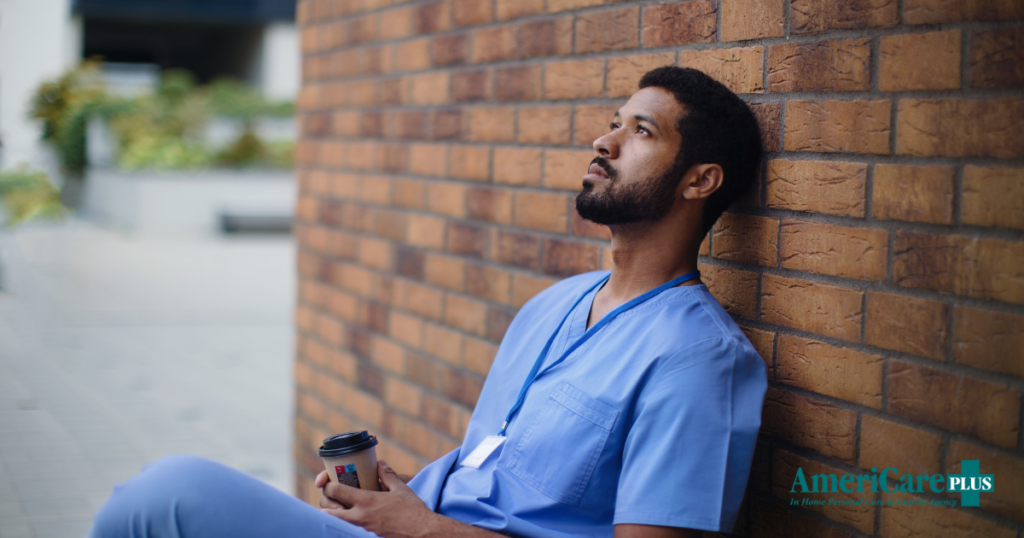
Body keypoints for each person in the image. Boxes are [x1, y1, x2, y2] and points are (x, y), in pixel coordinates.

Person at [88, 66, 767, 538]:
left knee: (169, 496)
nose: (604, 140)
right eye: (613, 123)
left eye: (641, 132)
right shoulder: (553, 305)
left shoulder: (698, 361)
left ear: (700, 180)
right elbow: (498, 479)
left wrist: (422, 530)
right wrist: (395, 499)